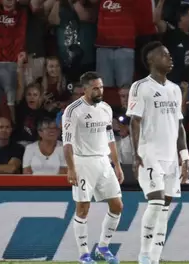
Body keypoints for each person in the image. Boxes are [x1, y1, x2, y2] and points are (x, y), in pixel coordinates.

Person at [127, 41, 189, 264]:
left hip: (171, 156)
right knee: (156, 201)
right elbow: (134, 122)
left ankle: (154, 259)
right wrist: (136, 154)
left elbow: (180, 125)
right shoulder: (140, 87)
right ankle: (144, 254)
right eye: (164, 55)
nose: (170, 58)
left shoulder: (174, 89)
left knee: (164, 209)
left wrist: (185, 157)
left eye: (170, 54)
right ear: (151, 60)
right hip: (149, 153)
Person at [62, 71, 124, 264]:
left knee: (117, 206)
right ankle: (84, 255)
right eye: (96, 87)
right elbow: (67, 143)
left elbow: (110, 138)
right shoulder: (73, 111)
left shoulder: (106, 108)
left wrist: (117, 165)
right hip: (82, 162)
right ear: (85, 89)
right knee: (83, 208)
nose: (100, 90)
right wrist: (71, 168)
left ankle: (103, 247)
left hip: (103, 161)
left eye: (102, 87)